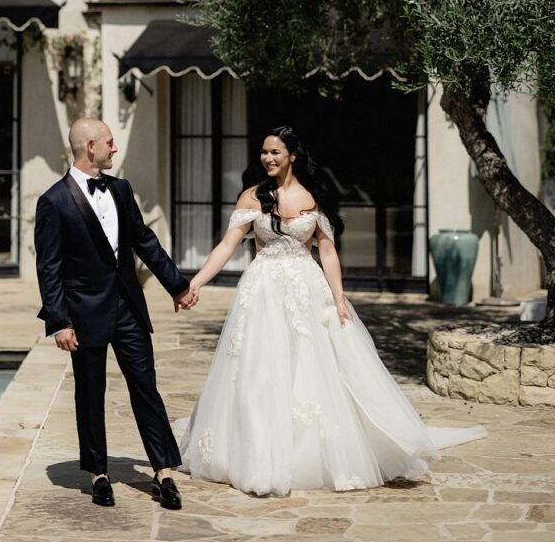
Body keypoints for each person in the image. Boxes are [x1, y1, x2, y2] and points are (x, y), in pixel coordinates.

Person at [178, 126, 486, 496]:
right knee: (258, 368)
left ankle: (306, 453)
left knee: (309, 366)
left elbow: (326, 251)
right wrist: (195, 282)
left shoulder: (313, 197)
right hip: (262, 291)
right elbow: (226, 246)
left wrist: (339, 300)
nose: (268, 158)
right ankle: (256, 451)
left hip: (307, 290)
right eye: (264, 152)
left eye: (275, 152)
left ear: (292, 155)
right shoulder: (252, 197)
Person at [35, 117, 195, 510]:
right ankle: (99, 475)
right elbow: (49, 267)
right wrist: (59, 321)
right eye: (109, 142)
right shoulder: (53, 201)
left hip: (128, 307)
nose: (114, 148)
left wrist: (177, 284)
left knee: (146, 389)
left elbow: (144, 240)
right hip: (84, 312)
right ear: (91, 146)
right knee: (90, 395)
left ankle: (164, 473)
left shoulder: (121, 189)